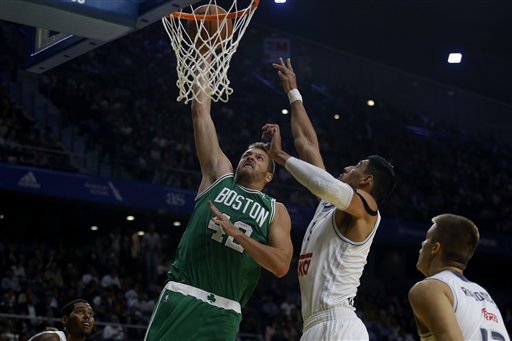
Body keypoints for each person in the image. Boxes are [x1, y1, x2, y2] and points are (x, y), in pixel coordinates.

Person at [144, 58, 294, 340]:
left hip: (226, 311)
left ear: (269, 177)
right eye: (247, 154)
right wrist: (204, 56)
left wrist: (239, 234)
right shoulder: (219, 175)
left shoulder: (276, 210)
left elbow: (281, 264)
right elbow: (201, 111)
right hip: (183, 294)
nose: (250, 156)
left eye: (259, 157)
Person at [262, 57, 396, 340]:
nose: (347, 167)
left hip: (337, 322)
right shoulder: (331, 200)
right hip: (315, 325)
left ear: (366, 180)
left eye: (356, 166)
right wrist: (292, 92)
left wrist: (281, 158)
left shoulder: (367, 208)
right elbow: (307, 144)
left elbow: (323, 183)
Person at [408, 213, 511, 340]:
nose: (422, 244)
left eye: (426, 238)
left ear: (435, 248)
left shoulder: (428, 288)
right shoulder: (485, 296)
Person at [28, 299, 95, 341]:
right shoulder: (51, 339)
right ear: (65, 320)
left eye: (90, 313)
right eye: (80, 311)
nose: (87, 316)